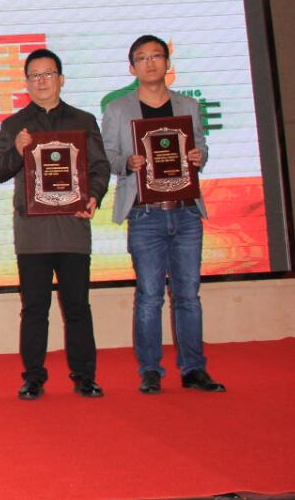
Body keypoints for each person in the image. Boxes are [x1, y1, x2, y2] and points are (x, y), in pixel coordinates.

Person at [101, 35, 225, 394]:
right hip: (145, 214)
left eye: (157, 56)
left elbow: (200, 145)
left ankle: (194, 369)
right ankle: (151, 370)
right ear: (132, 67)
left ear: (168, 63)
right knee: (150, 296)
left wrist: (199, 156)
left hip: (186, 212)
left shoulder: (188, 105)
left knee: (188, 295)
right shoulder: (118, 109)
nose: (150, 62)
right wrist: (127, 162)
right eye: (142, 58)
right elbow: (107, 156)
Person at [0, 49, 111, 400]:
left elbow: (99, 167)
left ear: (61, 79)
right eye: (35, 76)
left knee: (77, 307)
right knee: (34, 309)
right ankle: (33, 378)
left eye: (48, 74)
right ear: (26, 83)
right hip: (33, 233)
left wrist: (94, 196)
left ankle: (85, 376)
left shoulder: (83, 121)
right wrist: (17, 150)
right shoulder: (14, 125)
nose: (41, 81)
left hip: (73, 228)